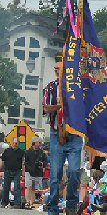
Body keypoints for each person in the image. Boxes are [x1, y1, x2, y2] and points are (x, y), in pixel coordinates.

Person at [44, 59, 83, 215]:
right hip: (56, 135)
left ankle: (71, 204)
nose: (58, 72)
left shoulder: (77, 88)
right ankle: (53, 207)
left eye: (61, 70)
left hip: (74, 135)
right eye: (56, 70)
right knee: (55, 175)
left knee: (74, 172)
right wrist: (61, 105)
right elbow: (46, 108)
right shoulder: (51, 88)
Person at [0, 137, 24, 209]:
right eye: (14, 143)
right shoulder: (7, 151)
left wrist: (23, 174)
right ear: (12, 143)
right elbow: (2, 161)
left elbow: (23, 163)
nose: (15, 144)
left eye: (17, 143)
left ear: (18, 144)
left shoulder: (21, 152)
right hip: (7, 171)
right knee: (6, 187)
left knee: (17, 188)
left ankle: (17, 204)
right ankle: (4, 203)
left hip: (17, 171)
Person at [24, 137, 47, 209]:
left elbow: (45, 162)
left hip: (38, 172)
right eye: (39, 143)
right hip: (29, 171)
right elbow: (25, 162)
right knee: (28, 186)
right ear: (35, 143)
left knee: (34, 188)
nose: (40, 144)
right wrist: (27, 169)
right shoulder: (28, 152)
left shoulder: (42, 153)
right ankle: (27, 201)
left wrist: (42, 165)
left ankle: (32, 202)